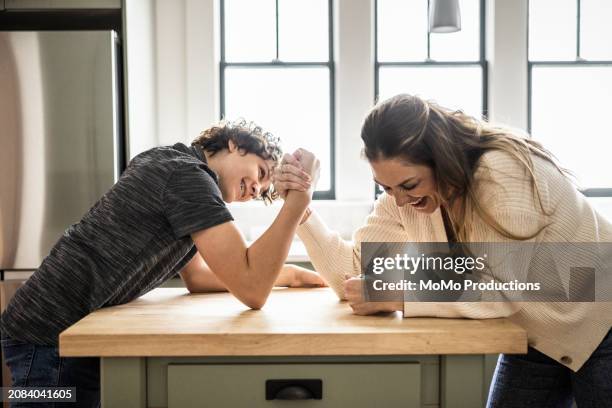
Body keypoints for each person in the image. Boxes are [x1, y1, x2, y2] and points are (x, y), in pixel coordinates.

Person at [274, 94, 612, 407]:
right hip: (538, 333)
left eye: (409, 185)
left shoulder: (501, 174)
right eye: (387, 187)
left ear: (442, 159)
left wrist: (400, 295)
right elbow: (352, 275)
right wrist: (300, 208)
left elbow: (503, 293)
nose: (401, 200)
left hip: (602, 320)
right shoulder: (401, 198)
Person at [0, 119, 325, 408]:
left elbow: (197, 276)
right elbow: (252, 288)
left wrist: (292, 275)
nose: (255, 189)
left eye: (262, 192)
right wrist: (299, 200)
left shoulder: (173, 162)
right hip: (49, 337)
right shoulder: (188, 178)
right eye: (260, 174)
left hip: (54, 329)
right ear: (234, 144)